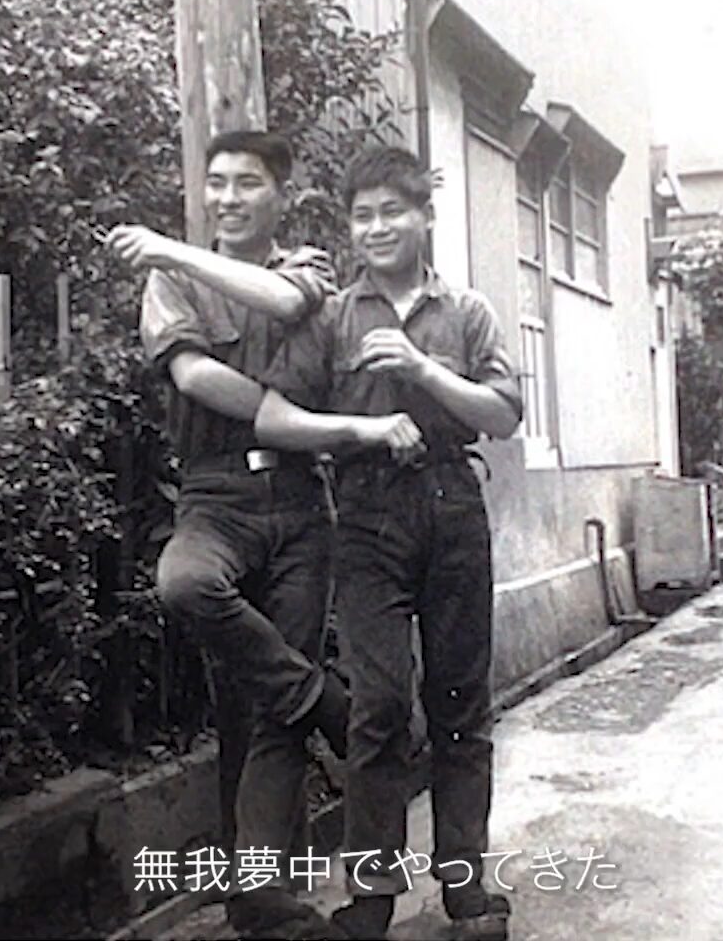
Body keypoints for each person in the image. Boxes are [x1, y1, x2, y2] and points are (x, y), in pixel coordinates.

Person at [105, 130, 415, 940]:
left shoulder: (303, 268)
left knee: (269, 715)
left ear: (281, 195)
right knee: (186, 584)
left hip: (300, 500)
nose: (228, 199)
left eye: (247, 184)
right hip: (216, 496)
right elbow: (193, 375)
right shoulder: (172, 282)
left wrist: (167, 245)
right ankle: (322, 701)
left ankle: (259, 898)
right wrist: (290, 416)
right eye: (216, 184)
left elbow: (281, 302)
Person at [255, 146, 522, 941]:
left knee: (460, 704)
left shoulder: (465, 312)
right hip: (368, 514)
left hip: (453, 505)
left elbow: (504, 415)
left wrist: (422, 371)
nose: (376, 228)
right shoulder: (333, 317)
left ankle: (465, 890)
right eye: (362, 216)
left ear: (424, 218)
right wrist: (362, 428)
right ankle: (370, 898)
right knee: (377, 706)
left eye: (391, 212)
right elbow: (273, 418)